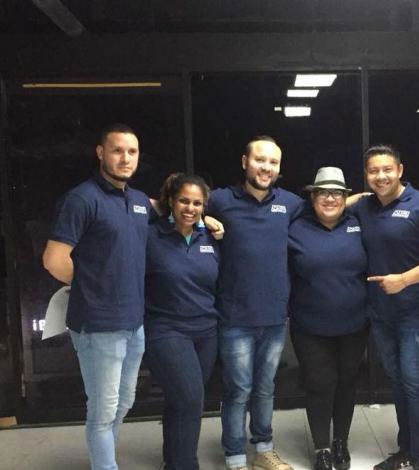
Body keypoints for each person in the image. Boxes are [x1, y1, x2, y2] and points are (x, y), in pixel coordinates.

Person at [42, 123, 152, 470]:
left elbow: (167, 208)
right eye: (117, 150)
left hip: (134, 323)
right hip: (98, 325)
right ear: (101, 153)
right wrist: (92, 286)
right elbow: (54, 259)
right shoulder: (82, 199)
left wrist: (207, 220)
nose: (125, 158)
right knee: (103, 411)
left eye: (132, 151)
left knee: (123, 403)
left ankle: (105, 460)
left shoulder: (137, 201)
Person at [351, 144, 419, 470]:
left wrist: (405, 279)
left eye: (387, 169)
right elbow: (337, 205)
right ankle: (406, 451)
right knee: (398, 383)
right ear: (367, 175)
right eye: (373, 171)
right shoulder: (365, 207)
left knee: (415, 383)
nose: (381, 176)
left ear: (400, 170)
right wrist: (355, 197)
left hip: (416, 312)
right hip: (380, 314)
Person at [205, 135, 303, 470]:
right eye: (260, 160)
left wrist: (361, 199)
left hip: (275, 316)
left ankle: (263, 449)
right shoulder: (220, 200)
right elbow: (178, 207)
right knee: (238, 390)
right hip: (234, 317)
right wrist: (204, 219)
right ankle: (234, 456)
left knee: (265, 388)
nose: (266, 167)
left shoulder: (289, 204)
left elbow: (328, 209)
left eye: (273, 162)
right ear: (245, 161)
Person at [288, 167, 369, 470]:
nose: (330, 198)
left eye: (337, 193)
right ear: (313, 197)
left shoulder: (359, 224)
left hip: (355, 324)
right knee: (319, 385)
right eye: (323, 192)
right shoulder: (295, 227)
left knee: (347, 384)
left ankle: (340, 442)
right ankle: (322, 447)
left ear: (346, 198)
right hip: (310, 326)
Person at [144, 173, 220, 470]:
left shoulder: (211, 238)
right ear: (171, 202)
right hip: (166, 329)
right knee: (190, 398)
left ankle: (172, 461)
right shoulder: (151, 236)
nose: (190, 208)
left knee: (181, 401)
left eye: (197, 203)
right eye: (184, 201)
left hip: (206, 331)